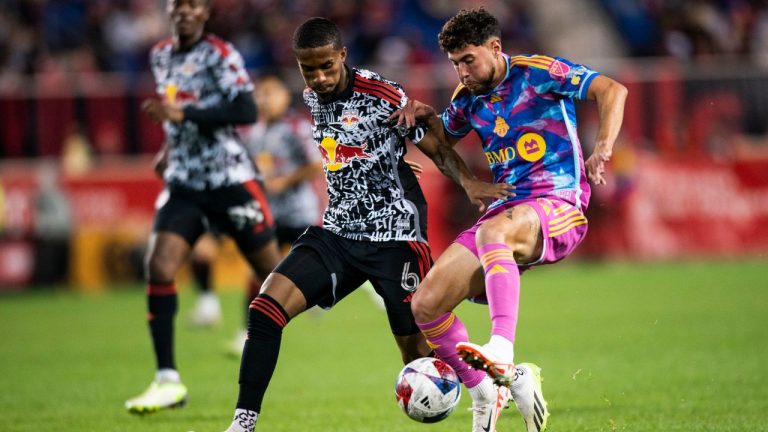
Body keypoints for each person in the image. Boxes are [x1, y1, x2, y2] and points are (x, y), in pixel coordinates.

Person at [392, 8, 628, 432]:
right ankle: (490, 387)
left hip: (559, 204)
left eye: (468, 60)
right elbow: (440, 142)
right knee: (426, 304)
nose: (462, 72)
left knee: (493, 231)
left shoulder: (538, 72)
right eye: (454, 64)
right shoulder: (468, 101)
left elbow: (612, 90)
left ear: (495, 48)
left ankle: (501, 349)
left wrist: (603, 147)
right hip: (507, 211)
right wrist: (421, 118)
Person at [222, 17, 458, 432]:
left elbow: (436, 145)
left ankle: (494, 383)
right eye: (308, 69)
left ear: (343, 55)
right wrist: (378, 162)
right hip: (338, 232)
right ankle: (243, 424)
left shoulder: (384, 93)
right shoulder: (312, 97)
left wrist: (471, 183)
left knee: (418, 355)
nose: (318, 77)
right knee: (264, 311)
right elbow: (350, 147)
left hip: (395, 238)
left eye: (326, 66)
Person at [125, 0, 282, 414]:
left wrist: (185, 114)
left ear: (205, 12)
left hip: (230, 180)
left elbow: (245, 109)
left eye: (194, 4)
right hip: (185, 182)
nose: (185, 11)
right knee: (159, 266)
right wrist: (168, 147)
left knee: (276, 277)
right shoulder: (160, 55)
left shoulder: (220, 53)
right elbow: (174, 112)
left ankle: (263, 339)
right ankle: (167, 380)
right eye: (178, 4)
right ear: (169, 9)